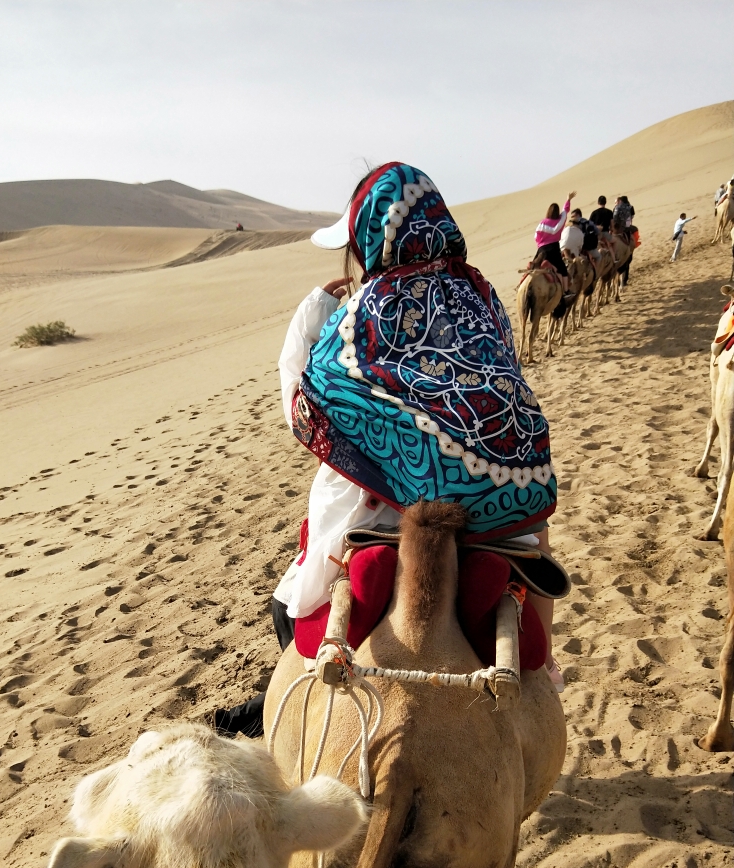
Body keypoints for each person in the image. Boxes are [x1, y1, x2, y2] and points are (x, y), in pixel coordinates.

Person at [215, 163, 566, 736]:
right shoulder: (479, 295)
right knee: (538, 541)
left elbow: (306, 408)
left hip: (389, 505)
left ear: (369, 239)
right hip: (496, 498)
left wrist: (308, 325)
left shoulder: (361, 313)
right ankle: (545, 663)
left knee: (289, 603)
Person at [533, 192, 576, 291]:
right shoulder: (560, 220)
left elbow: (536, 237)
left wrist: (540, 244)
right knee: (562, 270)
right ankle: (566, 291)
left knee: (533, 267)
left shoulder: (542, 223)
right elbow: (565, 211)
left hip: (541, 249)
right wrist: (568, 200)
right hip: (553, 249)